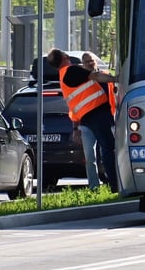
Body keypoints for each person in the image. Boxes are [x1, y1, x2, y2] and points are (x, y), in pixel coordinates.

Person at [47, 48, 119, 192]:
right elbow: (96, 77)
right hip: (96, 113)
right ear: (64, 56)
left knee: (103, 150)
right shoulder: (71, 70)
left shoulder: (64, 75)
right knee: (108, 148)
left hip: (89, 117)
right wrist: (117, 78)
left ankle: (110, 184)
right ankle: (116, 185)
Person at [76, 52, 115, 190]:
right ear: (83, 64)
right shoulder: (81, 79)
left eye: (92, 60)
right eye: (87, 61)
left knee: (108, 153)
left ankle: (113, 183)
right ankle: (94, 187)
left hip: (107, 120)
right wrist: (75, 127)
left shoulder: (105, 75)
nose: (90, 63)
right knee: (90, 157)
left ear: (96, 61)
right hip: (87, 124)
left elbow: (113, 94)